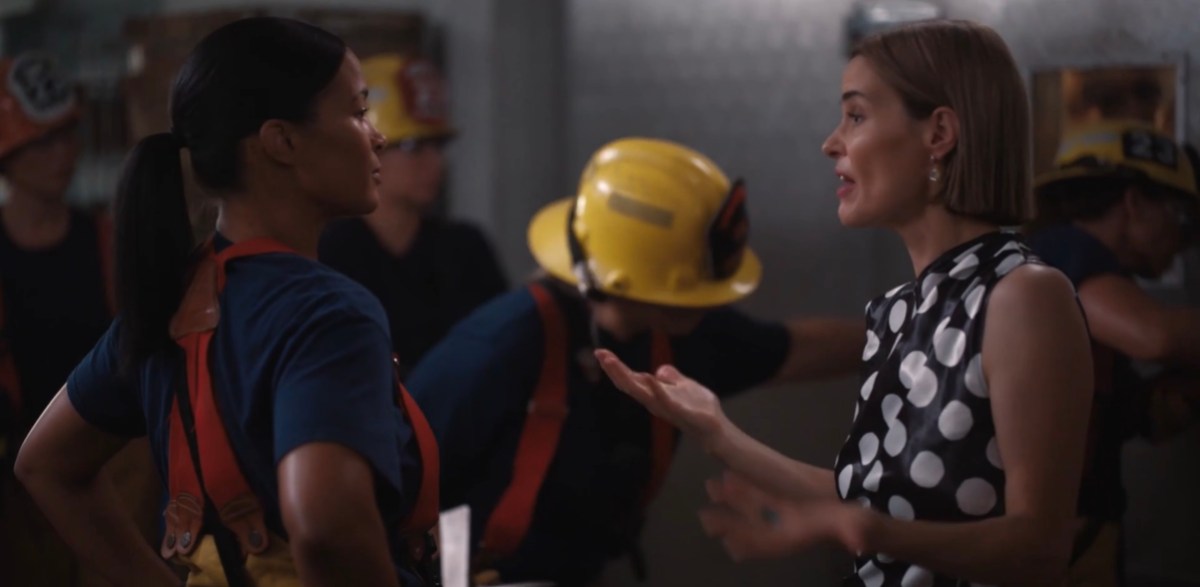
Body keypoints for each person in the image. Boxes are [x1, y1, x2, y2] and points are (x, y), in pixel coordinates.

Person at [598, 20, 1094, 586]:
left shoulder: (1024, 295)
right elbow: (863, 496)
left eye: (856, 116)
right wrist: (716, 431)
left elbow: (1040, 545)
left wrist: (860, 528)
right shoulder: (898, 310)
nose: (831, 141)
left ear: (938, 134)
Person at [14, 17, 439, 586]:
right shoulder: (329, 314)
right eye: (358, 112)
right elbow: (325, 526)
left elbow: (45, 464)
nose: (377, 135)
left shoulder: (169, 299)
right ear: (281, 140)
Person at [405, 136, 865, 586]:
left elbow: (796, 350)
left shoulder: (677, 329)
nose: (709, 303)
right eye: (692, 288)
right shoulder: (496, 349)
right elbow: (388, 490)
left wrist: (915, 341)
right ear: (637, 282)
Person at [0, 51, 158, 586]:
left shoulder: (107, 238)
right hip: (17, 468)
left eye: (68, 136)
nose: (62, 154)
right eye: (44, 141)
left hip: (108, 457)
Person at [1027, 119, 1200, 585]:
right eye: (1182, 221)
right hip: (1046, 545)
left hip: (1078, 537)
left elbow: (1130, 415)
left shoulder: (1085, 290)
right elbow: (1156, 335)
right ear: (1134, 203)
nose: (1183, 244)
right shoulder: (1062, 252)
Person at [319, 54, 507, 377]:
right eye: (412, 148)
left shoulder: (464, 250)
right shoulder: (328, 254)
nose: (435, 162)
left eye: (438, 146)